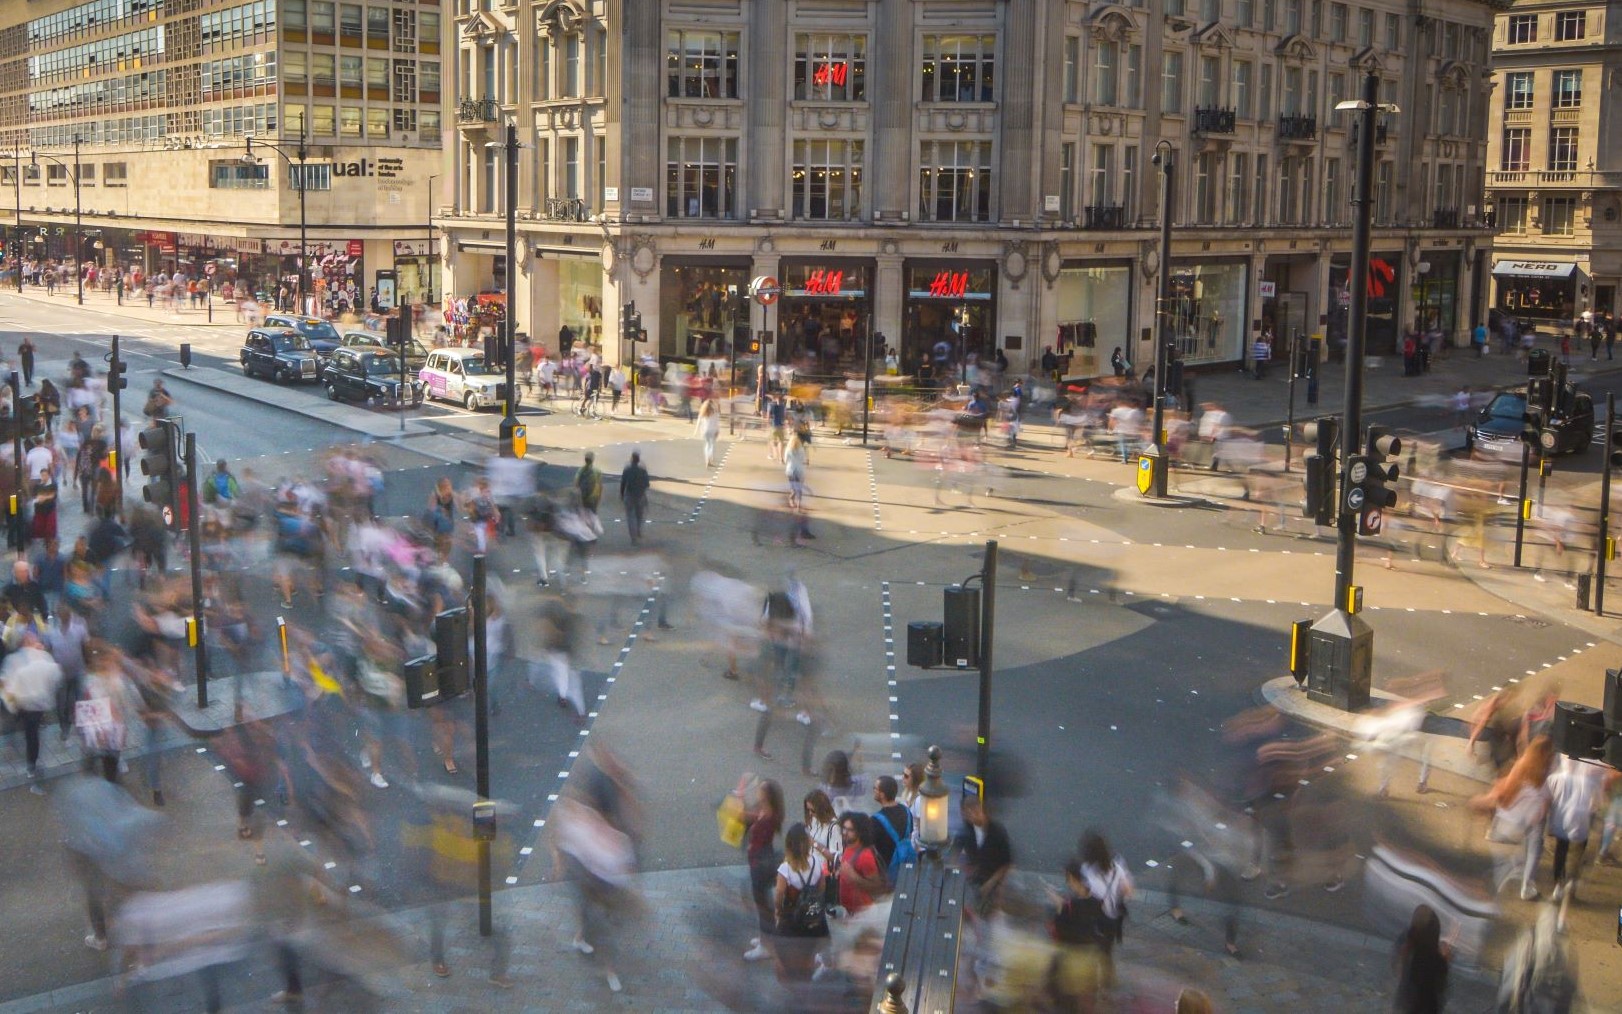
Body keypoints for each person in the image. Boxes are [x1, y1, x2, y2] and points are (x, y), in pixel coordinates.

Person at [1, 628, 64, 793]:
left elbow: (5, 682)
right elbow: (56, 676)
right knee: (31, 735)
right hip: (33, 705)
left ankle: (29, 762)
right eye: (31, 637)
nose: (34, 639)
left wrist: (11, 700)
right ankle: (30, 764)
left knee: (30, 734)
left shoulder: (18, 658)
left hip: (26, 705)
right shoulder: (40, 657)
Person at [741, 778, 785, 961]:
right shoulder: (766, 812)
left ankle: (766, 946)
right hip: (760, 860)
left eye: (760, 790)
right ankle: (766, 939)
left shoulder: (768, 817)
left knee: (763, 905)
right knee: (764, 903)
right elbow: (750, 816)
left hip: (761, 864)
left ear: (767, 796)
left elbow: (754, 822)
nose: (757, 791)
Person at [952, 796, 1013, 917]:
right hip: (975, 877)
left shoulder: (998, 832)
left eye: (973, 813)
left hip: (993, 878)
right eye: (967, 814)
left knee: (988, 914)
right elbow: (954, 853)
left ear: (980, 810)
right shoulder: (966, 831)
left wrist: (991, 884)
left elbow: (1006, 863)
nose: (971, 817)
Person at [1391, 903, 1449, 1014]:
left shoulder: (1409, 950)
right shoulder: (1436, 961)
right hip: (1427, 1007)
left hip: (1407, 1003)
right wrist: (1445, 958)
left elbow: (1399, 970)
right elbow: (1441, 986)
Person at [870, 775, 912, 873]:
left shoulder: (875, 820)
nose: (873, 790)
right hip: (905, 867)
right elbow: (909, 834)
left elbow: (871, 848)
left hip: (886, 869)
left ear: (882, 794)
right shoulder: (906, 811)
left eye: (875, 788)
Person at [619, 450, 649, 544]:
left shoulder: (627, 470)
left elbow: (623, 483)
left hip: (629, 495)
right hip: (640, 495)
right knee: (640, 515)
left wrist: (622, 494)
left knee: (631, 517)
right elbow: (647, 484)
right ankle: (638, 530)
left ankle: (633, 537)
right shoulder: (643, 470)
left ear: (632, 459)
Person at [574, 451, 603, 533]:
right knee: (592, 514)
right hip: (593, 497)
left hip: (582, 496)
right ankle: (591, 531)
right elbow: (600, 485)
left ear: (585, 459)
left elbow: (576, 483)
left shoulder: (580, 470)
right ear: (593, 460)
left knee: (583, 514)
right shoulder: (597, 471)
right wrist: (599, 496)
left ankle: (584, 531)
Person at [695, 397, 721, 468]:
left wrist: (696, 431)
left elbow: (699, 422)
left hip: (705, 431)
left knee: (707, 445)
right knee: (711, 445)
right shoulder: (715, 413)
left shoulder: (703, 412)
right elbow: (717, 422)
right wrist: (718, 431)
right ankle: (710, 458)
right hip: (713, 430)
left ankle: (707, 460)